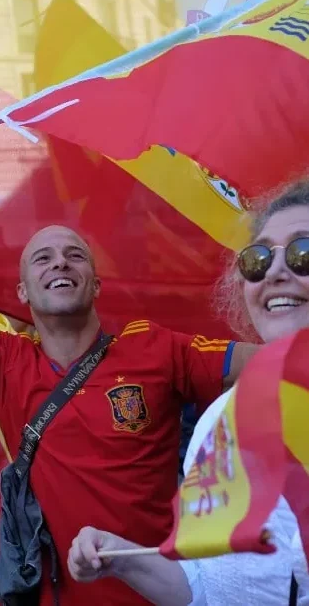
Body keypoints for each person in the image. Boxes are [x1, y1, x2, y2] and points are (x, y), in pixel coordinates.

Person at [0, 123, 257, 605]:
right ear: (22, 292)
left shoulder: (157, 348)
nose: (59, 264)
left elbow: (279, 361)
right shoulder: (2, 362)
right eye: (41, 259)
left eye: (74, 256)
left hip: (165, 594)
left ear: (96, 284)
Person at [67, 179, 309, 605]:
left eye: (302, 252)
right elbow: (206, 588)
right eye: (258, 259)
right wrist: (121, 556)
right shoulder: (221, 421)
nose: (274, 272)